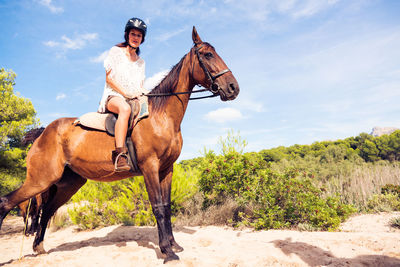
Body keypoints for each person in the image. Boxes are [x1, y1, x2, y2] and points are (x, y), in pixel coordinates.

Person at [98, 17, 148, 172]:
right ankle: (120, 155)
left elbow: (140, 86)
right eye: (133, 34)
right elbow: (109, 78)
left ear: (142, 39)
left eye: (139, 36)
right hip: (113, 96)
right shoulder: (116, 52)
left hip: (133, 98)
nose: (135, 38)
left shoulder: (141, 62)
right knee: (125, 109)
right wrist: (125, 93)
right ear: (127, 35)